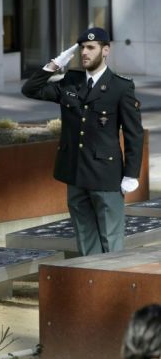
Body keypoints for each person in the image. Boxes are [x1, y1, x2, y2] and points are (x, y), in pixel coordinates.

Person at [21, 27, 144, 256]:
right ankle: (94, 283)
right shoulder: (71, 80)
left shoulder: (120, 86)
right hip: (75, 172)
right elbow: (30, 89)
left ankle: (114, 285)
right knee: (85, 237)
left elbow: (133, 134)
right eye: (82, 48)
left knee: (111, 240)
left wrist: (131, 173)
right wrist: (54, 65)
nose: (85, 53)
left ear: (105, 50)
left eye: (91, 47)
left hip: (105, 174)